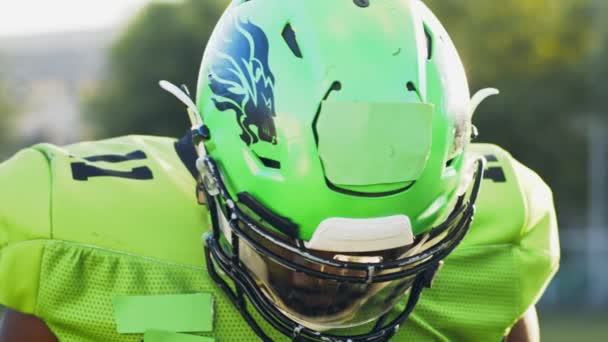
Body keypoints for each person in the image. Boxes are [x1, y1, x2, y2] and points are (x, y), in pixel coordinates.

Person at [0, 0, 559, 341]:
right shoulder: (74, 248)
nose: (338, 284)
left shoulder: (500, 243)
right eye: (293, 257)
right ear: (207, 174)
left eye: (387, 264)